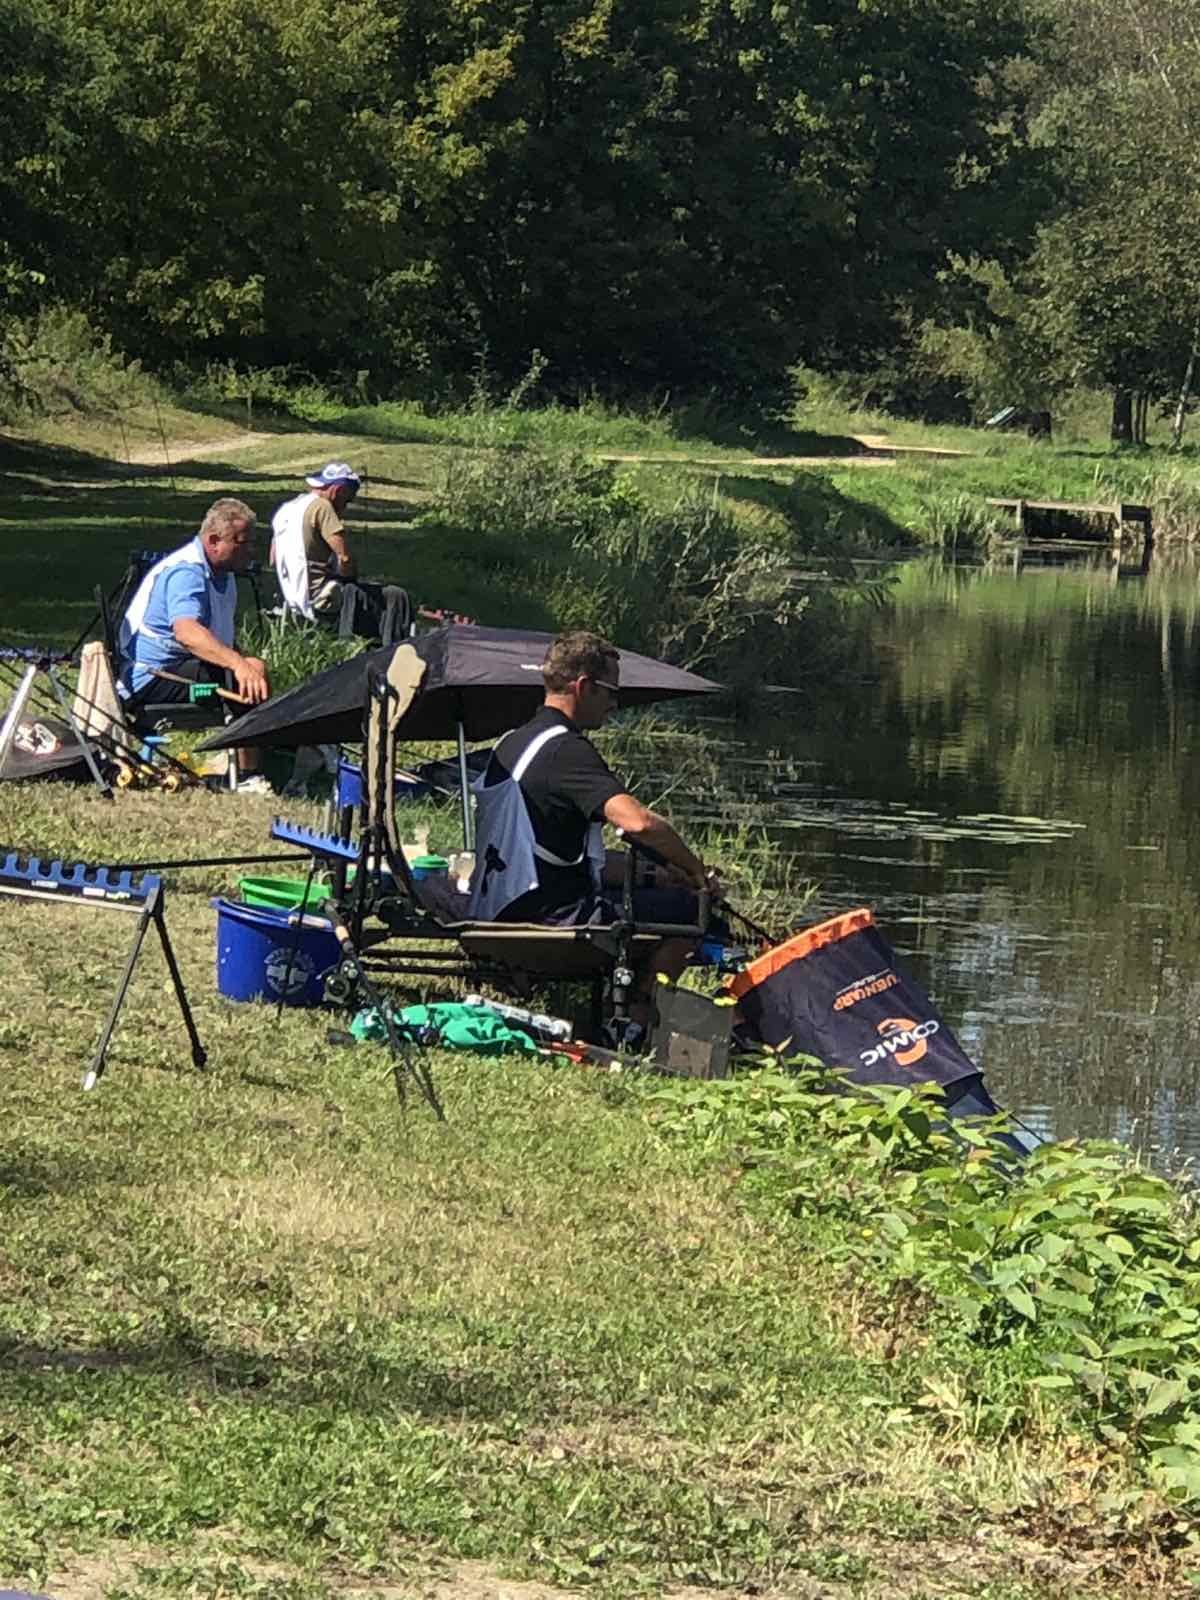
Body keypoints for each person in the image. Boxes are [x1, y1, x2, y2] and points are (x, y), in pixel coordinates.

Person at [469, 631, 723, 1023]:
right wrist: (695, 871)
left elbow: (560, 854)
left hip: (498, 907)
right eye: (610, 692)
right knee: (692, 914)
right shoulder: (565, 750)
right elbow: (639, 822)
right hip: (545, 920)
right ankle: (636, 1015)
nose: (614, 703)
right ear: (584, 687)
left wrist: (658, 875)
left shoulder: (513, 742)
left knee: (658, 895)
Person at [117, 496, 271, 792]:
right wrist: (239, 665)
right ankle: (249, 775)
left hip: (181, 673)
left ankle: (249, 762)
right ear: (214, 541)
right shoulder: (187, 573)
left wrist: (242, 663)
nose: (250, 551)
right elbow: (187, 632)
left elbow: (217, 637)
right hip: (154, 680)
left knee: (251, 671)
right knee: (242, 680)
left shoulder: (219, 573)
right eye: (243, 542)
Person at [270, 462, 411, 642]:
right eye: (347, 500)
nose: (343, 508)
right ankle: (391, 651)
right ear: (338, 490)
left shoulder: (286, 509)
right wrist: (350, 578)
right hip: (320, 598)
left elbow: (273, 559)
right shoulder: (322, 507)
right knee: (395, 597)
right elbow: (344, 558)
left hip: (291, 597)